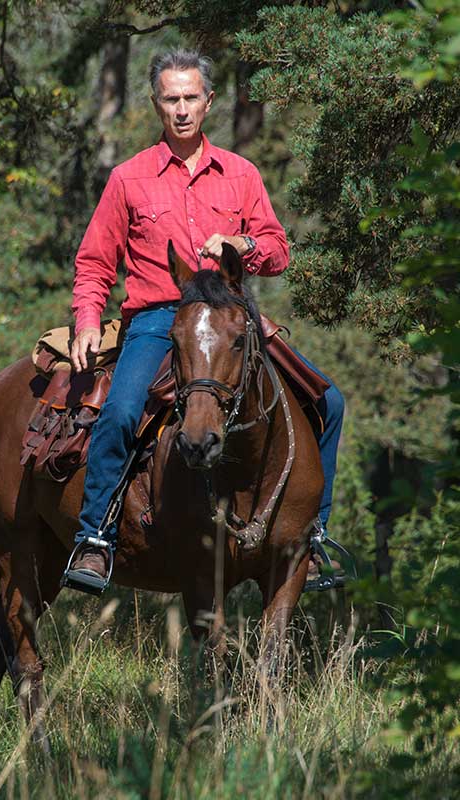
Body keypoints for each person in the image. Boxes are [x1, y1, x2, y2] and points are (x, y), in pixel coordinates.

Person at [66, 49, 344, 588]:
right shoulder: (128, 179)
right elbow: (94, 263)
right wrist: (86, 320)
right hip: (157, 319)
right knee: (121, 413)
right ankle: (94, 538)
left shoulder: (240, 174)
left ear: (209, 101)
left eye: (191, 97)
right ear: (156, 104)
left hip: (230, 319)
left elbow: (278, 248)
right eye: (171, 99)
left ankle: (313, 538)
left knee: (328, 401)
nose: (182, 109)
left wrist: (240, 242)